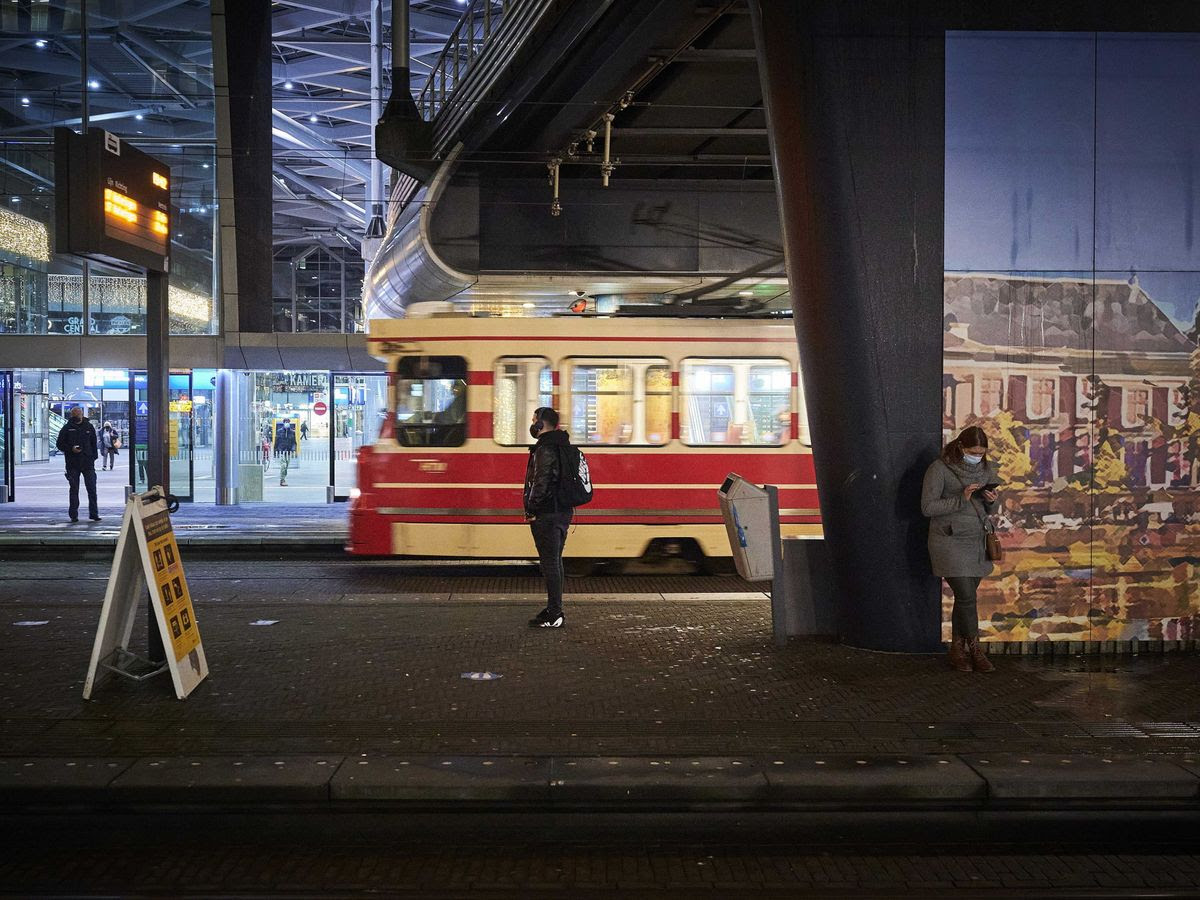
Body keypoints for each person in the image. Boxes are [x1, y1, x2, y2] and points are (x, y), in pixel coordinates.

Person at [921, 425, 1000, 672]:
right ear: (961, 447)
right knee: (967, 596)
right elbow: (928, 508)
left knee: (964, 600)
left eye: (981, 452)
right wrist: (960, 498)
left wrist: (993, 502)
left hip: (976, 540)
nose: (977, 456)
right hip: (949, 540)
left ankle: (957, 650)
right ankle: (976, 650)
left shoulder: (988, 470)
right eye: (973, 451)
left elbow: (990, 510)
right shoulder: (939, 469)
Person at [524, 406, 576, 628]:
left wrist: (531, 509)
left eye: (534, 419)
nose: (533, 423)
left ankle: (555, 613)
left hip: (547, 513)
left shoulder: (545, 448)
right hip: (562, 511)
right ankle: (554, 609)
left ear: (540, 423)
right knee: (555, 561)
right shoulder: (562, 444)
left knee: (550, 564)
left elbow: (541, 483)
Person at [55, 405, 101, 522]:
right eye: (75, 414)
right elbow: (59, 444)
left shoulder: (89, 427)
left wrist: (93, 457)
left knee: (92, 488)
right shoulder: (66, 428)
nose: (77, 416)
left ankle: (94, 514)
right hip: (72, 463)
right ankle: (74, 515)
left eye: (78, 414)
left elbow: (94, 443)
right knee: (74, 489)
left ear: (81, 414)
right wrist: (71, 448)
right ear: (72, 415)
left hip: (88, 463)